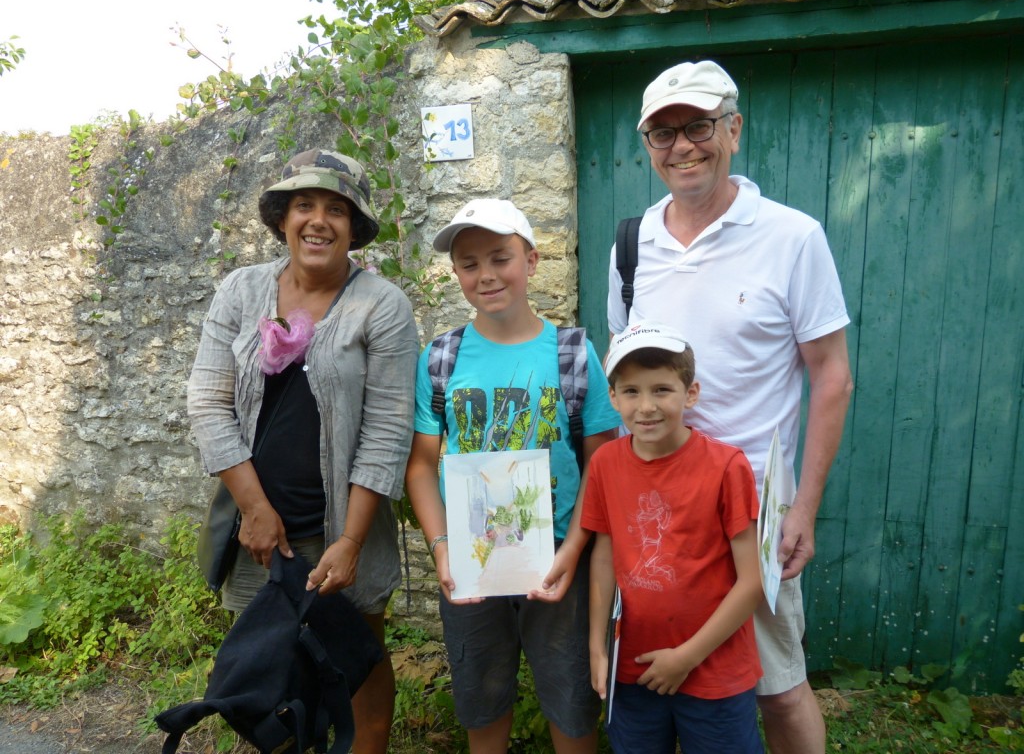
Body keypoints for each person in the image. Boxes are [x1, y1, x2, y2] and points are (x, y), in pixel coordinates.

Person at [607, 61, 854, 754]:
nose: (682, 146)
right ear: (647, 146)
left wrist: (803, 507)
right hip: (656, 510)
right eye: (662, 133)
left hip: (751, 511)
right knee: (660, 680)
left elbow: (832, 376)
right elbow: (625, 372)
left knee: (778, 688)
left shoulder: (791, 237)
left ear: (733, 129)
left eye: (698, 126)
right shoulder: (630, 246)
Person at [187, 148, 418, 754]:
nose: (319, 221)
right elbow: (207, 404)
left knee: (358, 657)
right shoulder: (241, 291)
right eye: (304, 206)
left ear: (354, 226)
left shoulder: (381, 305)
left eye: (336, 210)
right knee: (270, 664)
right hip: (260, 535)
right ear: (283, 219)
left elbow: (388, 431)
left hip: (343, 529)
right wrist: (255, 509)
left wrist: (351, 542)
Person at [405, 198, 621, 754]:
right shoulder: (441, 359)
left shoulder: (573, 354)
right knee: (481, 696)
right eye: (469, 263)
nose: (486, 275)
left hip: (558, 558)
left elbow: (603, 464)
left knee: (572, 700)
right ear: (456, 273)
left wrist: (574, 550)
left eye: (500, 258)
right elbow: (421, 464)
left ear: (532, 260)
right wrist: (443, 548)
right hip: (472, 561)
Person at [583, 320, 764, 753]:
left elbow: (753, 581)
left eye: (662, 389)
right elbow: (604, 556)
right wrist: (597, 646)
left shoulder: (727, 467)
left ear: (691, 393)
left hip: (714, 673)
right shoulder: (605, 464)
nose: (646, 406)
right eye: (631, 391)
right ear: (613, 397)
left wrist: (686, 657)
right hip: (633, 669)